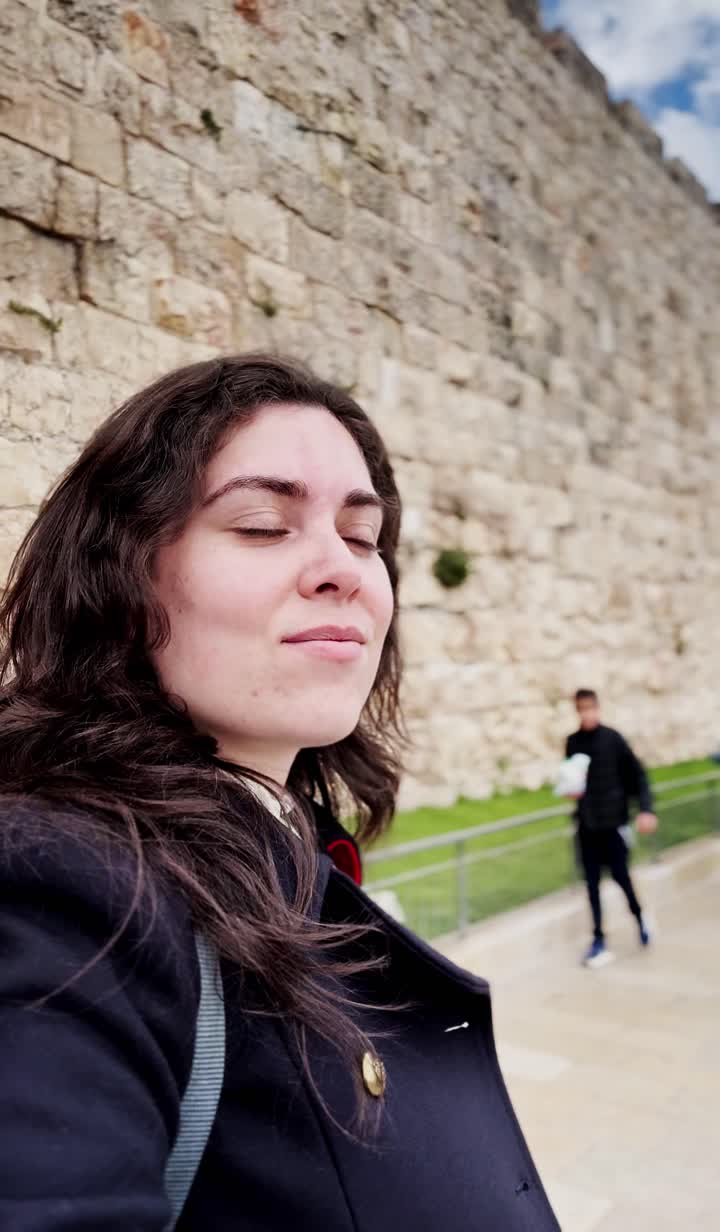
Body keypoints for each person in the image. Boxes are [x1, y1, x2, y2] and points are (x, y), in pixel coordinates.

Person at [0, 354, 559, 1231]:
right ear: (120, 570)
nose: (341, 568)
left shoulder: (296, 848)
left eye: (364, 536)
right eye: (263, 526)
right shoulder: (66, 890)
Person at [566, 689, 658, 968]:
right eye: (581, 709)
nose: (586, 714)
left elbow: (637, 776)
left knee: (622, 878)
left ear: (597, 708)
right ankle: (598, 938)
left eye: (590, 708)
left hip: (613, 824)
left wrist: (645, 809)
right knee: (591, 885)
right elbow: (573, 780)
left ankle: (639, 916)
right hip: (587, 826)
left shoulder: (612, 739)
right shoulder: (573, 742)